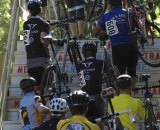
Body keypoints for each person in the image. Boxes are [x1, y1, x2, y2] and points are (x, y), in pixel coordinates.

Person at [93, 0, 138, 87]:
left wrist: (105, 33)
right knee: (132, 73)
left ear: (110, 5)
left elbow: (95, 32)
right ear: (121, 3)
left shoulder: (106, 15)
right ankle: (130, 96)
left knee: (120, 76)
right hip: (132, 46)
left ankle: (121, 97)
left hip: (118, 48)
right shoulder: (128, 13)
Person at [23, 0, 50, 91]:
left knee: (35, 88)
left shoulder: (25, 24)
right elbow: (43, 40)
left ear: (30, 11)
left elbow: (26, 41)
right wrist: (52, 41)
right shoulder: (44, 23)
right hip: (42, 59)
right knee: (45, 89)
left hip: (30, 60)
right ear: (40, 10)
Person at [78, 43, 105, 123]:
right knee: (99, 121)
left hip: (83, 99)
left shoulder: (79, 65)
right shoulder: (101, 63)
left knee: (84, 123)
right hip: (96, 96)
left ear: (83, 53)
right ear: (95, 52)